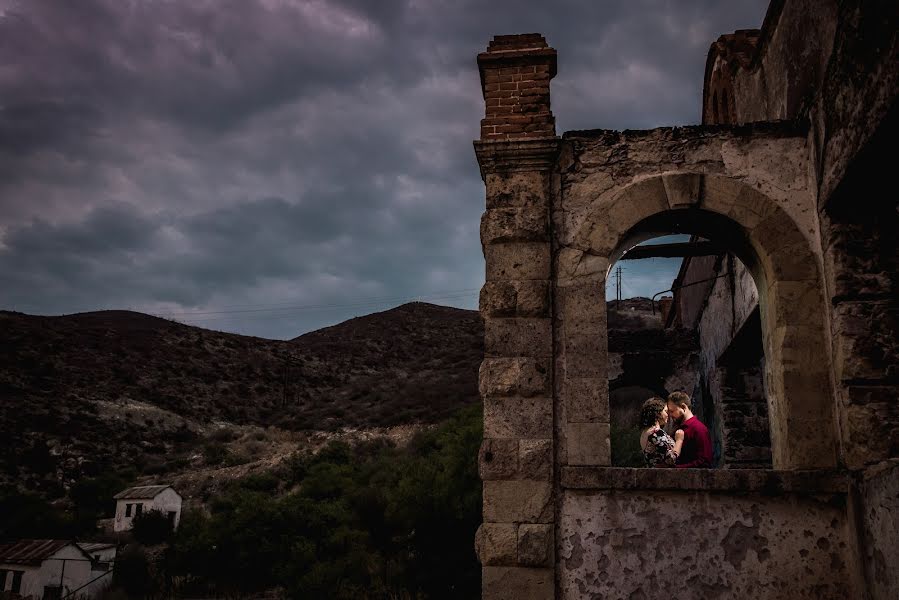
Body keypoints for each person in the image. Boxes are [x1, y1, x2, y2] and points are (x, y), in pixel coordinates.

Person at [666, 391, 713, 468]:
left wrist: (676, 468)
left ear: (683, 407)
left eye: (672, 411)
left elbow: (704, 461)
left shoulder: (698, 428)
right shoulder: (678, 428)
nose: (670, 415)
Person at [639, 397, 684, 467]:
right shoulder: (656, 433)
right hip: (664, 475)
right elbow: (671, 459)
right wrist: (679, 440)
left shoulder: (646, 432)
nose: (668, 415)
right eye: (666, 411)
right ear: (658, 413)